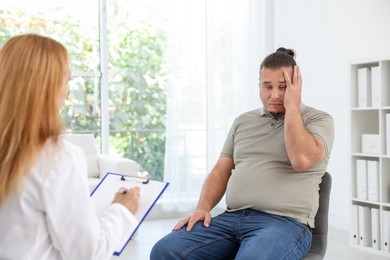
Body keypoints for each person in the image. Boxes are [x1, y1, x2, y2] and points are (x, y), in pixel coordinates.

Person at [150, 47, 334, 260]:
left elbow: (301, 160)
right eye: (268, 86)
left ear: (296, 87)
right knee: (164, 250)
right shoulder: (243, 121)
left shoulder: (319, 120)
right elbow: (221, 170)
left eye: (283, 87)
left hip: (285, 224)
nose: (274, 95)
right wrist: (203, 207)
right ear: (259, 85)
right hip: (231, 219)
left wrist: (292, 107)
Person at [0, 34, 141, 260]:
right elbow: (87, 254)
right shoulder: (57, 157)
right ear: (49, 87)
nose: (66, 91)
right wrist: (121, 210)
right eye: (67, 80)